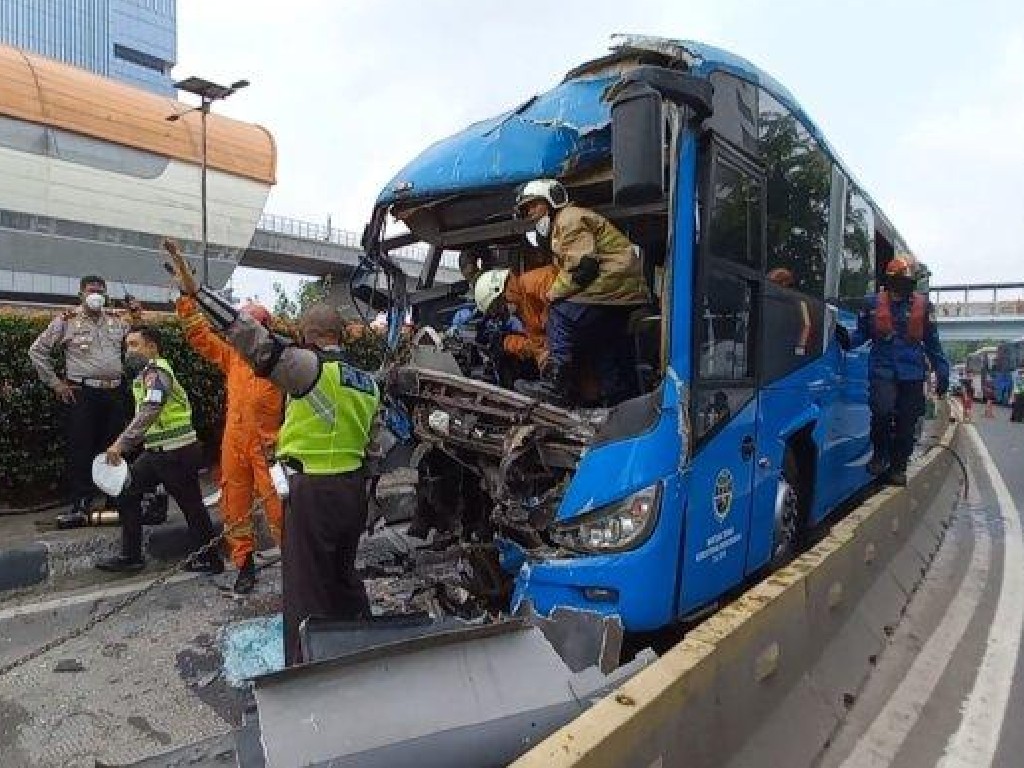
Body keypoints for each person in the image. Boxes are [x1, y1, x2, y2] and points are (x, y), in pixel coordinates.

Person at [164, 240, 379, 666]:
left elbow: (247, 335)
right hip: (351, 491)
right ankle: (361, 644)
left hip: (311, 489)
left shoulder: (305, 367)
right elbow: (374, 445)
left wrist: (196, 293)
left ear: (308, 335)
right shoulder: (367, 380)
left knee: (305, 587)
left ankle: (306, 667)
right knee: (342, 575)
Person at [177, 296, 284, 594]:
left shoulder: (281, 363)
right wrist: (187, 299)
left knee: (279, 510)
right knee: (235, 508)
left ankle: (296, 564)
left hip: (270, 446)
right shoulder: (233, 357)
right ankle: (244, 566)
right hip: (235, 444)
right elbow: (200, 338)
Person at [95, 326, 222, 574]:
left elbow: (151, 408)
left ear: (151, 347)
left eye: (134, 344)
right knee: (126, 491)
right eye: (127, 345)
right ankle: (131, 556)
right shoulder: (144, 375)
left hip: (176, 451)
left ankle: (210, 558)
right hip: (157, 452)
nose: (128, 350)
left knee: (191, 506)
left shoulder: (158, 372)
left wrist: (122, 443)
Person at [512, 179, 650, 405]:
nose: (530, 214)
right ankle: (617, 398)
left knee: (560, 314)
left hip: (612, 284)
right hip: (621, 291)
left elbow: (583, 268)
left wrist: (552, 294)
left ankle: (555, 385)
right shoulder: (565, 224)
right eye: (526, 210)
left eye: (532, 206)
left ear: (550, 201)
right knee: (601, 342)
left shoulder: (568, 219)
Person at [29, 276, 142, 528]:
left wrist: (136, 315)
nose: (96, 295)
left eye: (101, 291)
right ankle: (81, 501)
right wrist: (56, 384)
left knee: (114, 447)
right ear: (81, 294)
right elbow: (37, 350)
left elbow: (140, 340)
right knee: (80, 448)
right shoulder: (66, 321)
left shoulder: (115, 319)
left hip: (113, 392)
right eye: (92, 291)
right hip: (83, 393)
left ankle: (114, 499)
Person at [847, 255, 949, 486]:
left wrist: (942, 372)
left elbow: (933, 344)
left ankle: (898, 467)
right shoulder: (871, 304)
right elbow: (860, 335)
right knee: (881, 411)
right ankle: (880, 454)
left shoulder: (923, 308)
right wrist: (844, 340)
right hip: (882, 369)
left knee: (907, 423)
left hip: (912, 372)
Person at [473, 265, 558, 372]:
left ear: (501, 291)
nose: (502, 314)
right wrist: (507, 343)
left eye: (497, 307)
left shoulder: (537, 281)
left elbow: (561, 311)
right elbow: (537, 345)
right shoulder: (523, 312)